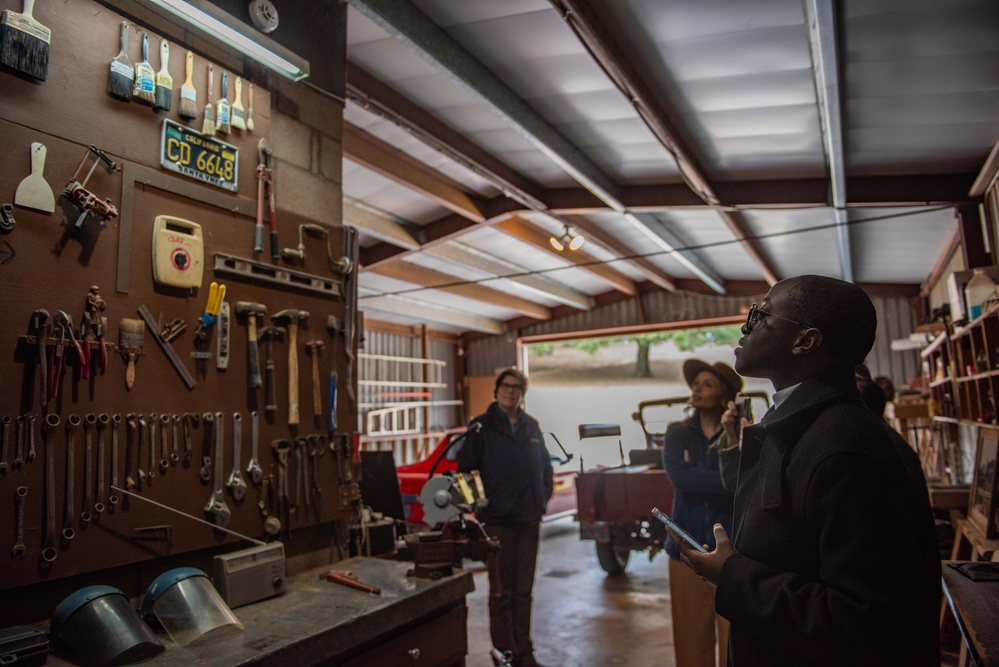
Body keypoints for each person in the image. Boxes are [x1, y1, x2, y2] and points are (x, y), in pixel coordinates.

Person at [667, 275, 941, 666]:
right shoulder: (799, 425)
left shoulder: (844, 447)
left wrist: (732, 575)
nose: (746, 327)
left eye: (760, 316)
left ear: (805, 341)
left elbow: (865, 621)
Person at [458, 368, 553, 667]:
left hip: (527, 519)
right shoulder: (480, 427)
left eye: (516, 387)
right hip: (497, 520)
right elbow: (465, 472)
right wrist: (479, 506)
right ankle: (505, 652)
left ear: (522, 393)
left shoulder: (531, 427)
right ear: (497, 390)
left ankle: (524, 651)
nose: (511, 391)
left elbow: (545, 469)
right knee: (502, 592)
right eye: (506, 386)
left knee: (524, 591)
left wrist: (541, 498)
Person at [662, 359, 741, 667]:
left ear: (723, 396)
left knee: (734, 638)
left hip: (732, 550)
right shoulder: (677, 433)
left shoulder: (738, 434)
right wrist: (727, 479)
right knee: (691, 638)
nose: (696, 388)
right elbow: (680, 478)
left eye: (707, 384)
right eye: (695, 383)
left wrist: (701, 474)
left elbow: (744, 483)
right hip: (685, 546)